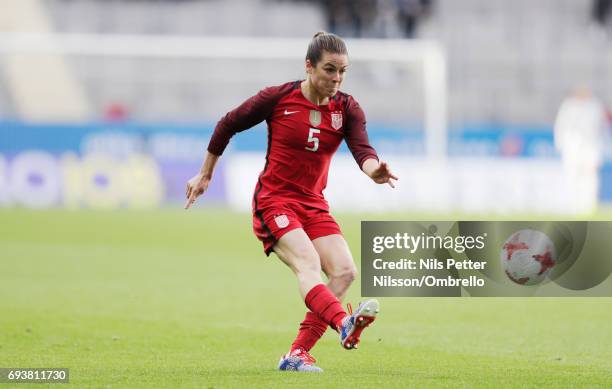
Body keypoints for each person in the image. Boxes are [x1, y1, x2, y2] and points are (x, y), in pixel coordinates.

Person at [184, 32, 398, 372]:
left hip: (312, 203)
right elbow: (228, 124)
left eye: (343, 71)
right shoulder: (277, 98)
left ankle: (296, 355)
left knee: (344, 272)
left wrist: (375, 171)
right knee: (308, 263)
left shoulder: (347, 108)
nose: (337, 79)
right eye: (330, 70)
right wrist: (205, 174)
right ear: (309, 66)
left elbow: (363, 150)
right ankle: (343, 323)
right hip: (274, 200)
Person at [554, 86, 608, 215]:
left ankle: (589, 205)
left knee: (590, 177)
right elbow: (561, 126)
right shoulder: (568, 106)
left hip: (591, 146)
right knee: (572, 176)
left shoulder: (595, 106)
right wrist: (561, 145)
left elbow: (603, 129)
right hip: (572, 145)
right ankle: (573, 205)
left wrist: (602, 150)